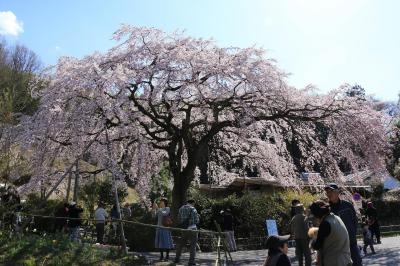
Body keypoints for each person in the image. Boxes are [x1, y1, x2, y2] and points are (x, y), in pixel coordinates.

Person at [325, 183, 362, 266]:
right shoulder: (326, 210)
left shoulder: (348, 205)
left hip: (351, 242)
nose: (329, 194)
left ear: (338, 192)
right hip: (336, 246)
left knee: (357, 262)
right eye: (327, 192)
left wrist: (352, 233)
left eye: (331, 191)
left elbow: (354, 221)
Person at [309, 200, 352, 266]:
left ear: (317, 214)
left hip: (334, 262)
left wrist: (312, 240)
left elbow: (317, 246)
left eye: (314, 216)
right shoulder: (337, 217)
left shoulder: (325, 223)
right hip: (346, 260)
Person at [174, 199, 200, 266]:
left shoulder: (181, 208)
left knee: (181, 244)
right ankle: (191, 261)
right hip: (193, 229)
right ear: (192, 203)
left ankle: (177, 258)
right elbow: (196, 220)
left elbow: (178, 219)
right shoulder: (193, 209)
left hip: (184, 229)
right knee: (193, 245)